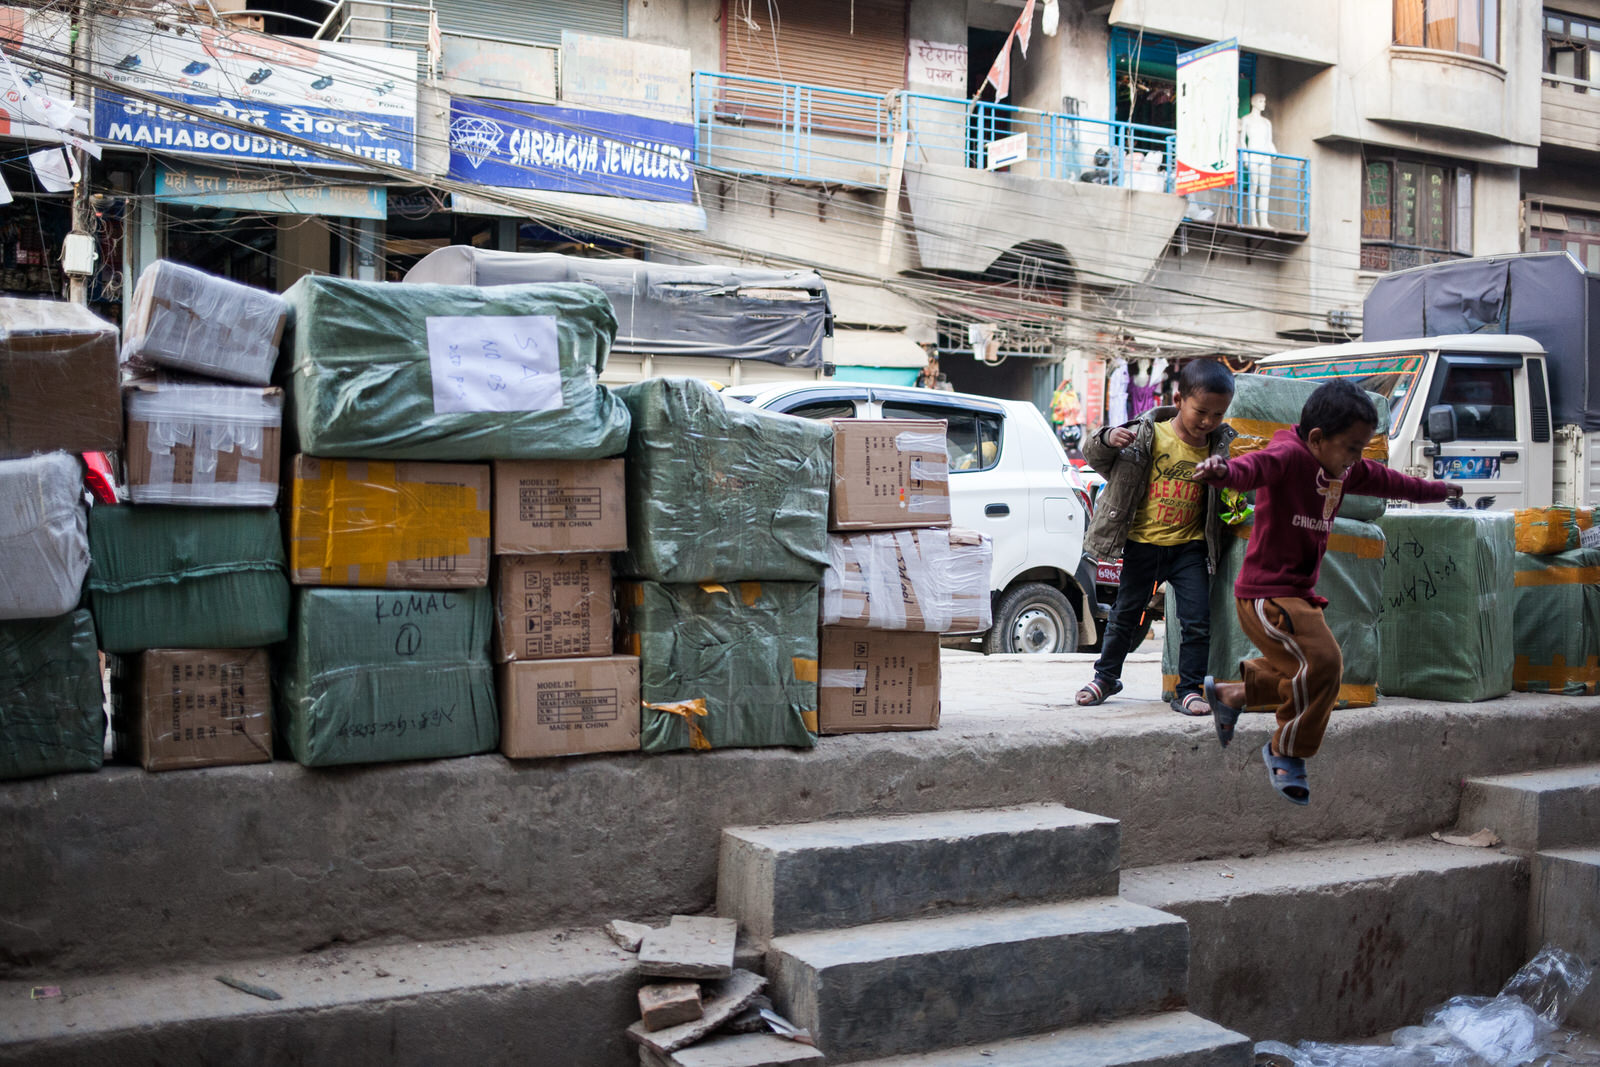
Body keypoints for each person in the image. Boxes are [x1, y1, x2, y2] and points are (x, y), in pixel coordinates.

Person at [1193, 379, 1463, 805]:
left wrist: (1438, 491)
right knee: (1326, 662)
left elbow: (1393, 484)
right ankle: (1286, 750)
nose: (1356, 458)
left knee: (1303, 671)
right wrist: (1225, 471)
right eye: (1352, 448)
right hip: (1267, 594)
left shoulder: (1342, 469)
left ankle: (1233, 693)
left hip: (1296, 593)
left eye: (1361, 449)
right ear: (1317, 438)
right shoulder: (1289, 456)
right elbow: (1255, 467)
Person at [1075, 359, 1237, 716]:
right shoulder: (1148, 433)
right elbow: (1094, 455)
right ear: (1178, 400)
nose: (1209, 421)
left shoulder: (1219, 446)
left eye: (1218, 413)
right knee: (1124, 615)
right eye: (1202, 411)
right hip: (1143, 544)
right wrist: (1107, 437)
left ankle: (1189, 689)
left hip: (1190, 547)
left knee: (1196, 621)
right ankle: (1105, 678)